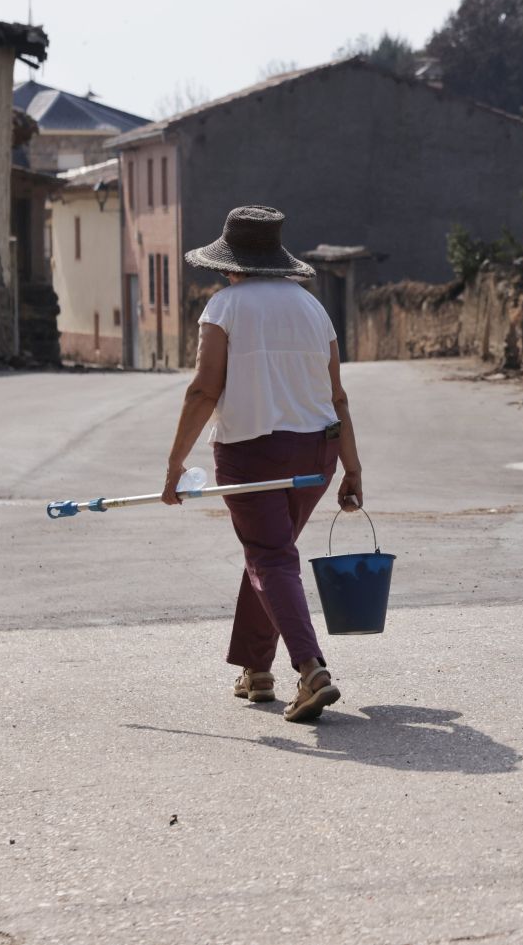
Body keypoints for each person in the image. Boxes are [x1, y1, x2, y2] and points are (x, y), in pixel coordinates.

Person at [160, 205, 363, 723]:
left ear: (230, 263)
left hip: (252, 453)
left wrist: (175, 463)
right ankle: (256, 669)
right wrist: (353, 467)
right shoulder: (314, 309)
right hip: (317, 452)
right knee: (270, 553)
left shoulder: (224, 308)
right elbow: (337, 397)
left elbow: (205, 388)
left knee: (270, 557)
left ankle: (311, 670)